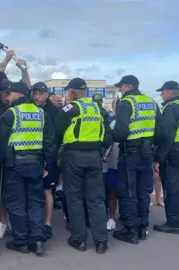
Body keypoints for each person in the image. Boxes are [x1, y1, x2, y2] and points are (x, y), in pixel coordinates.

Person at [0, 81, 56, 256]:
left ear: (18, 95)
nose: (7, 97)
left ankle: (22, 242)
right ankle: (37, 240)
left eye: (10, 94)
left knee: (17, 203)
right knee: (35, 201)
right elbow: (50, 143)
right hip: (36, 164)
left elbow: (0, 143)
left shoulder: (10, 113)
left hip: (15, 166)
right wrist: (47, 166)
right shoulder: (41, 114)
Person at [54, 78, 111, 254]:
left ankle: (79, 240)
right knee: (96, 199)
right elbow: (109, 135)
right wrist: (99, 150)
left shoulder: (69, 109)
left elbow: (56, 131)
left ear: (71, 92)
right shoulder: (99, 109)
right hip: (94, 156)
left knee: (75, 198)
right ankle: (101, 241)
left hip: (74, 157)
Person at [112, 75, 160, 244]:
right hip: (147, 152)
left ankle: (130, 230)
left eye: (120, 87)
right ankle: (142, 228)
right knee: (143, 191)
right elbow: (159, 129)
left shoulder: (126, 102)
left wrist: (110, 135)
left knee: (128, 191)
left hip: (130, 152)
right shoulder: (151, 102)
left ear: (127, 86)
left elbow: (121, 132)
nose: (120, 90)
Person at [0, 50, 30, 240]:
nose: (6, 95)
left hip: (18, 155)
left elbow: (26, 88)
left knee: (20, 193)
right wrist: (5, 60)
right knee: (1, 193)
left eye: (9, 92)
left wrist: (24, 70)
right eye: (4, 92)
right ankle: (3, 222)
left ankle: (16, 222)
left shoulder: (18, 105)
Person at [153, 81, 179, 234]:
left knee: (170, 189)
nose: (161, 95)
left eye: (162, 92)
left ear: (169, 92)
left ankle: (174, 223)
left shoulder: (171, 108)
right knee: (175, 187)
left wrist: (158, 157)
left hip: (172, 152)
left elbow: (167, 135)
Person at [31, 81, 60, 239]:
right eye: (35, 93)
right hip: (33, 155)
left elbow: (55, 137)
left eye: (40, 93)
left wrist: (49, 162)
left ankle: (47, 223)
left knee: (47, 190)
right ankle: (35, 222)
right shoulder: (30, 108)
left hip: (48, 157)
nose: (37, 96)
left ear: (47, 95)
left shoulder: (53, 111)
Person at [105, 99, 119, 231]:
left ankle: (112, 218)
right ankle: (113, 217)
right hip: (115, 163)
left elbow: (107, 144)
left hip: (115, 163)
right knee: (113, 192)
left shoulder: (114, 123)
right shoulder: (113, 123)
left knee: (112, 192)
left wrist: (102, 156)